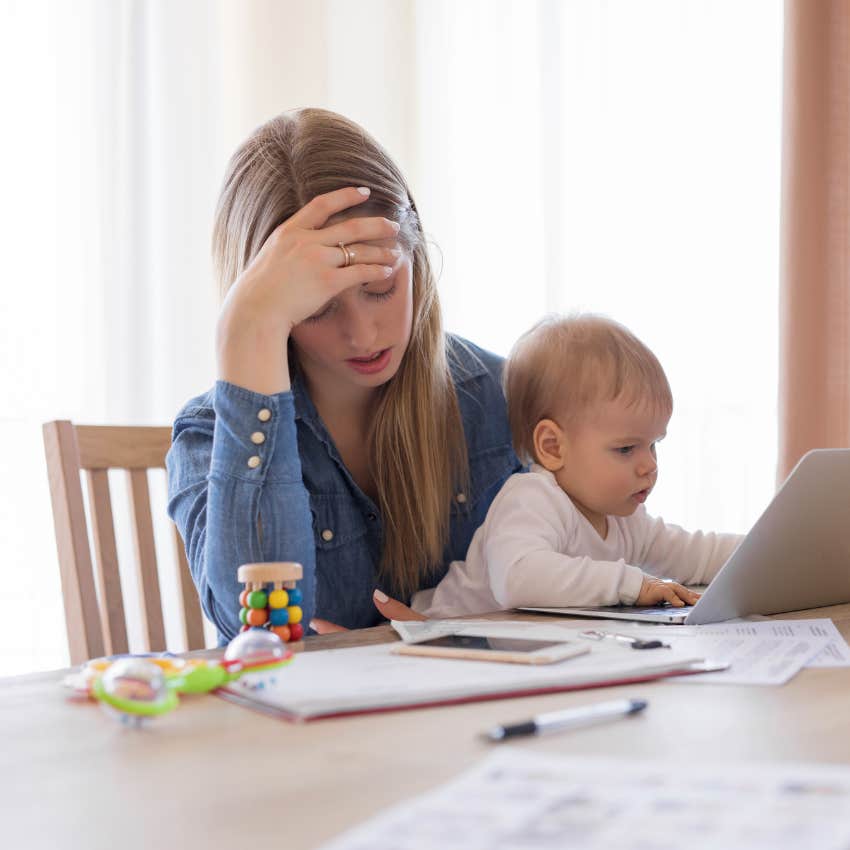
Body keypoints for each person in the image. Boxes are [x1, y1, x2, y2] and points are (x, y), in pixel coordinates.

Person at [166, 108, 521, 642]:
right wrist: (243, 332)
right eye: (317, 309)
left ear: (416, 258)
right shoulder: (208, 435)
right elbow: (257, 631)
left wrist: (451, 636)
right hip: (298, 724)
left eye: (380, 288)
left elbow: (588, 584)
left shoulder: (497, 395)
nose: (362, 334)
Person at [410, 314, 745, 619]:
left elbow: (693, 554)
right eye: (626, 448)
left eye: (654, 444)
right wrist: (631, 585)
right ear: (553, 447)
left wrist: (773, 552)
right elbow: (518, 578)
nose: (649, 466)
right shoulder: (531, 499)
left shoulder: (624, 518)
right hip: (439, 643)